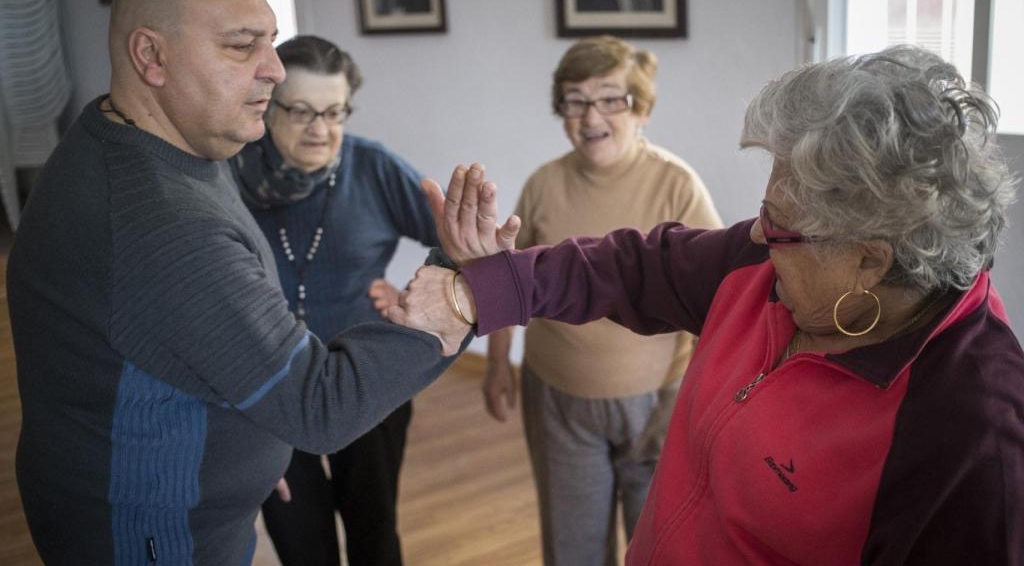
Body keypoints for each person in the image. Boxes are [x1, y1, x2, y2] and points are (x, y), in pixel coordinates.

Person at [393, 45, 1024, 564]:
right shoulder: (760, 262)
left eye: (778, 224)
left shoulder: (972, 436)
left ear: (868, 259)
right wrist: (477, 290)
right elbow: (632, 266)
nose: (754, 233)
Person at [5, 0, 463, 564]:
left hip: (180, 495)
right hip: (154, 532)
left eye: (270, 41)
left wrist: (237, 457)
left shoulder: (158, 144)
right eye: (243, 46)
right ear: (152, 56)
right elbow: (320, 407)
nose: (273, 69)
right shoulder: (165, 225)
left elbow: (174, 336)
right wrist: (456, 299)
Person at [483, 35, 721, 566]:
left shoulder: (678, 185)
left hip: (658, 405)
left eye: (611, 98)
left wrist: (696, 402)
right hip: (559, 400)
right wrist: (497, 365)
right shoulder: (544, 184)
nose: (591, 115)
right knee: (573, 550)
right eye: (575, 99)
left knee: (657, 546)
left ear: (641, 108)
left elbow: (721, 304)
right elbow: (508, 281)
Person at [229, 35, 437, 566]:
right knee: (301, 542)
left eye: (334, 111)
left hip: (366, 380)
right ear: (267, 105)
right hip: (267, 386)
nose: (320, 129)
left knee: (374, 531)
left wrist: (415, 297)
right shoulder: (225, 173)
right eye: (300, 111)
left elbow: (461, 242)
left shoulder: (371, 168)